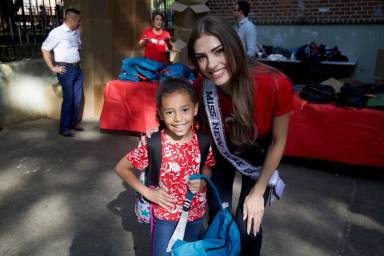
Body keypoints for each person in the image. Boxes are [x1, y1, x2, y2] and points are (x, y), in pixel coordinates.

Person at [187, 16, 294, 255]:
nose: (211, 64)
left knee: (247, 229)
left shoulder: (274, 84)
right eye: (202, 57)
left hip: (258, 158)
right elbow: (177, 117)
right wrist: (157, 135)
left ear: (233, 46)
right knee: (218, 219)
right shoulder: (199, 88)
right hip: (221, 156)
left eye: (218, 51)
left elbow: (279, 141)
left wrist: (258, 193)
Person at [115, 77, 215, 256]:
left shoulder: (203, 141)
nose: (178, 119)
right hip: (165, 218)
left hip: (195, 215)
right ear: (160, 114)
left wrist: (203, 181)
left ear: (195, 108)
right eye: (169, 112)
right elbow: (122, 168)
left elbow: (208, 166)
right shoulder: (155, 144)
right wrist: (148, 193)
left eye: (184, 110)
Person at [41, 8, 84, 137]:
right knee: (69, 98)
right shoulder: (57, 32)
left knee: (78, 97)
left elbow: (78, 48)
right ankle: (64, 128)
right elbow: (45, 49)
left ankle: (73, 123)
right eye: (78, 20)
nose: (79, 22)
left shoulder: (76, 33)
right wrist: (53, 67)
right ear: (70, 19)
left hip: (77, 68)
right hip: (65, 69)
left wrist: (79, 62)